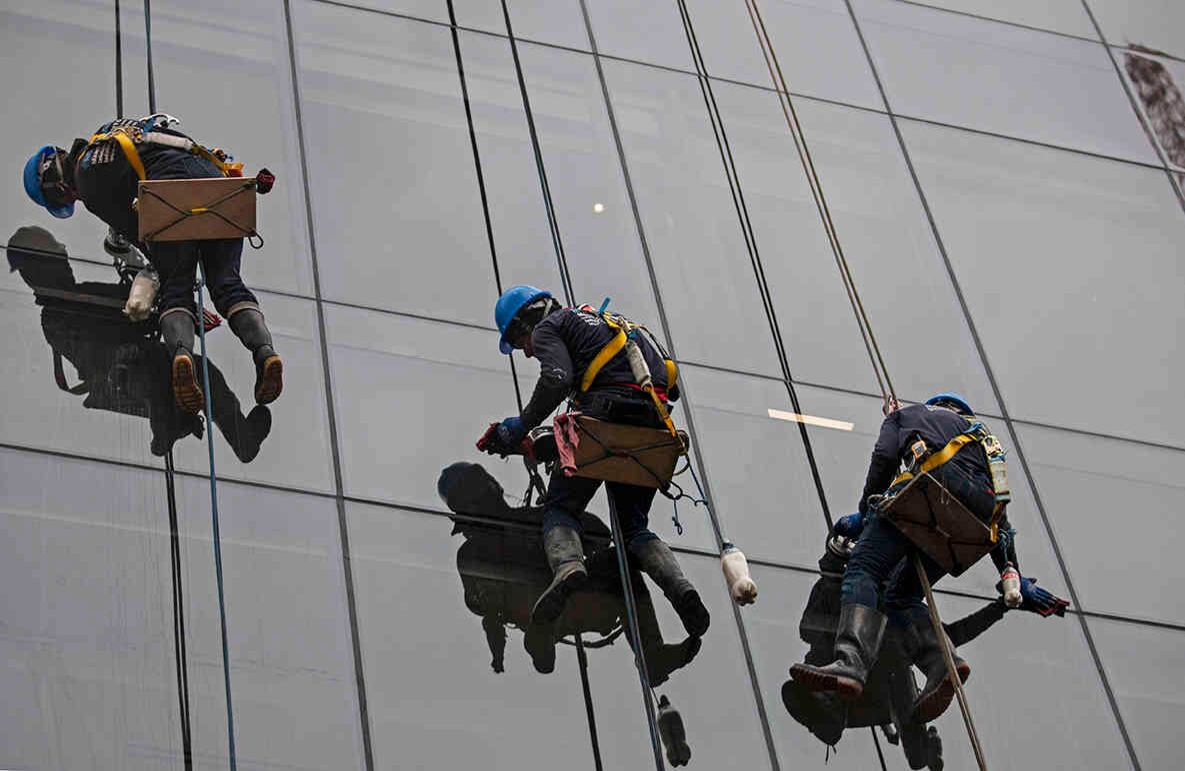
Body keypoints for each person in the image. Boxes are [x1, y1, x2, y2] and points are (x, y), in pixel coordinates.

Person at [790, 394, 1068, 722]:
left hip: (930, 495)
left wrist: (865, 512)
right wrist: (1011, 572)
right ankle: (943, 664)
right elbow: (1000, 527)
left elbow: (884, 456)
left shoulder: (914, 415)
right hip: (968, 526)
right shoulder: (988, 444)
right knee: (902, 597)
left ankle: (850, 663)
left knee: (864, 569)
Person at [480, 285, 710, 641]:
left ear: (528, 322)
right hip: (652, 430)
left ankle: (569, 567)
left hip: (604, 420)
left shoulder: (549, 327)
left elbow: (557, 379)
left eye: (519, 340)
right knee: (633, 528)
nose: (527, 351)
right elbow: (671, 383)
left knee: (560, 507)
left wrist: (519, 425)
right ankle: (680, 588)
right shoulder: (622, 326)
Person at [22, 114, 282, 414]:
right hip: (219, 185)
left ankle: (182, 357)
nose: (75, 199)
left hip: (171, 194)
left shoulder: (87, 178)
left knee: (176, 290)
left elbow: (144, 234)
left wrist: (171, 290)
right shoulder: (111, 133)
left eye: (68, 198)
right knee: (228, 285)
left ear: (59, 188)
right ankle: (265, 353)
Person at [783, 533, 1066, 769]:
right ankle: (905, 738)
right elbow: (809, 628)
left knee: (906, 692)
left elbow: (951, 635)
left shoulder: (891, 619)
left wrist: (1000, 606)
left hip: (876, 671)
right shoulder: (877, 608)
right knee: (906, 689)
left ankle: (910, 742)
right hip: (869, 670)